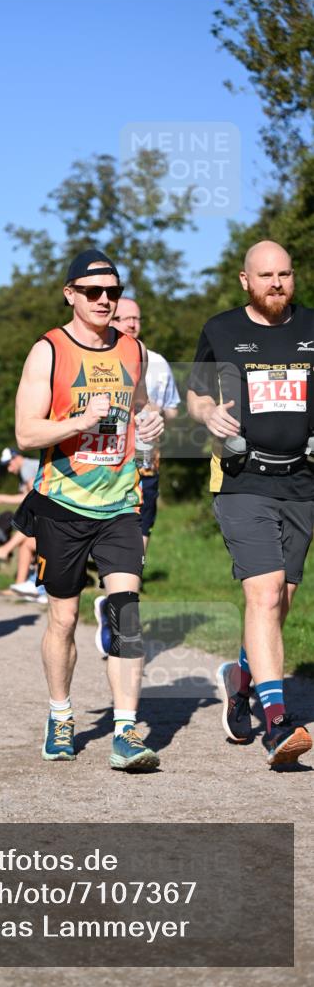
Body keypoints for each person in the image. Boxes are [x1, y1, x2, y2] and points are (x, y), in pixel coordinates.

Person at [13, 248, 164, 768]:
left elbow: (141, 407)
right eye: (94, 292)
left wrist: (150, 425)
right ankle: (60, 714)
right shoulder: (48, 351)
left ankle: (126, 732)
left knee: (126, 615)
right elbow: (26, 431)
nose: (106, 300)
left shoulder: (132, 349)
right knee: (64, 618)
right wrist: (78, 421)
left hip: (121, 501)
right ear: (70, 294)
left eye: (114, 292)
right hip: (61, 503)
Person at [187, 240, 313, 767]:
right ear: (245, 280)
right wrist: (207, 412)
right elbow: (195, 393)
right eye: (266, 276)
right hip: (243, 479)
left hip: (303, 481)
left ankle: (240, 684)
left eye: (285, 274)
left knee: (279, 600)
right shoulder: (221, 329)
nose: (277, 284)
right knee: (262, 594)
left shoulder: (311, 326)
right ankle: (277, 724)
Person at [93, 297, 180, 656]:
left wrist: (159, 410)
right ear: (112, 318)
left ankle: (118, 610)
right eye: (124, 318)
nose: (131, 324)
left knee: (138, 544)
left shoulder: (156, 362)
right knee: (109, 539)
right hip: (106, 467)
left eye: (137, 319)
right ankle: (116, 605)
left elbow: (174, 409)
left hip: (147, 464)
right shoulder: (101, 357)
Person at [0, 448, 44, 602]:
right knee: (26, 541)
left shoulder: (27, 467)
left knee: (26, 531)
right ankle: (19, 585)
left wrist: (2, 498)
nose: (8, 469)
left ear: (16, 458)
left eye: (8, 464)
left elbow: (31, 497)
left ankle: (5, 549)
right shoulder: (28, 467)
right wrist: (2, 498)